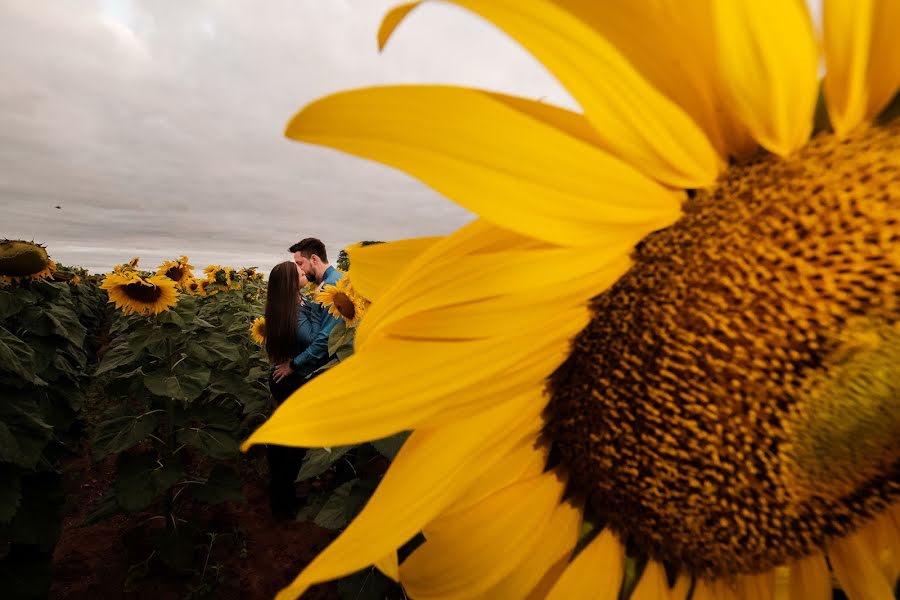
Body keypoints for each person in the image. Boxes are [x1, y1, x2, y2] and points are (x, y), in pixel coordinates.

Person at [263, 260, 323, 518]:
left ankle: (283, 496)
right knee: (292, 444)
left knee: (287, 440)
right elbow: (312, 338)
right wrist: (320, 310)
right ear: (290, 281)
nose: (304, 271)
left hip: (290, 377)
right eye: (298, 271)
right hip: (289, 380)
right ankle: (284, 503)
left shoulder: (295, 304)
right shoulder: (293, 311)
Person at [287, 238, 345, 376]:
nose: (299, 269)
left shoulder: (329, 287)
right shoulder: (336, 278)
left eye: (300, 263)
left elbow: (326, 339)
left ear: (313, 259)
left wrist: (294, 364)